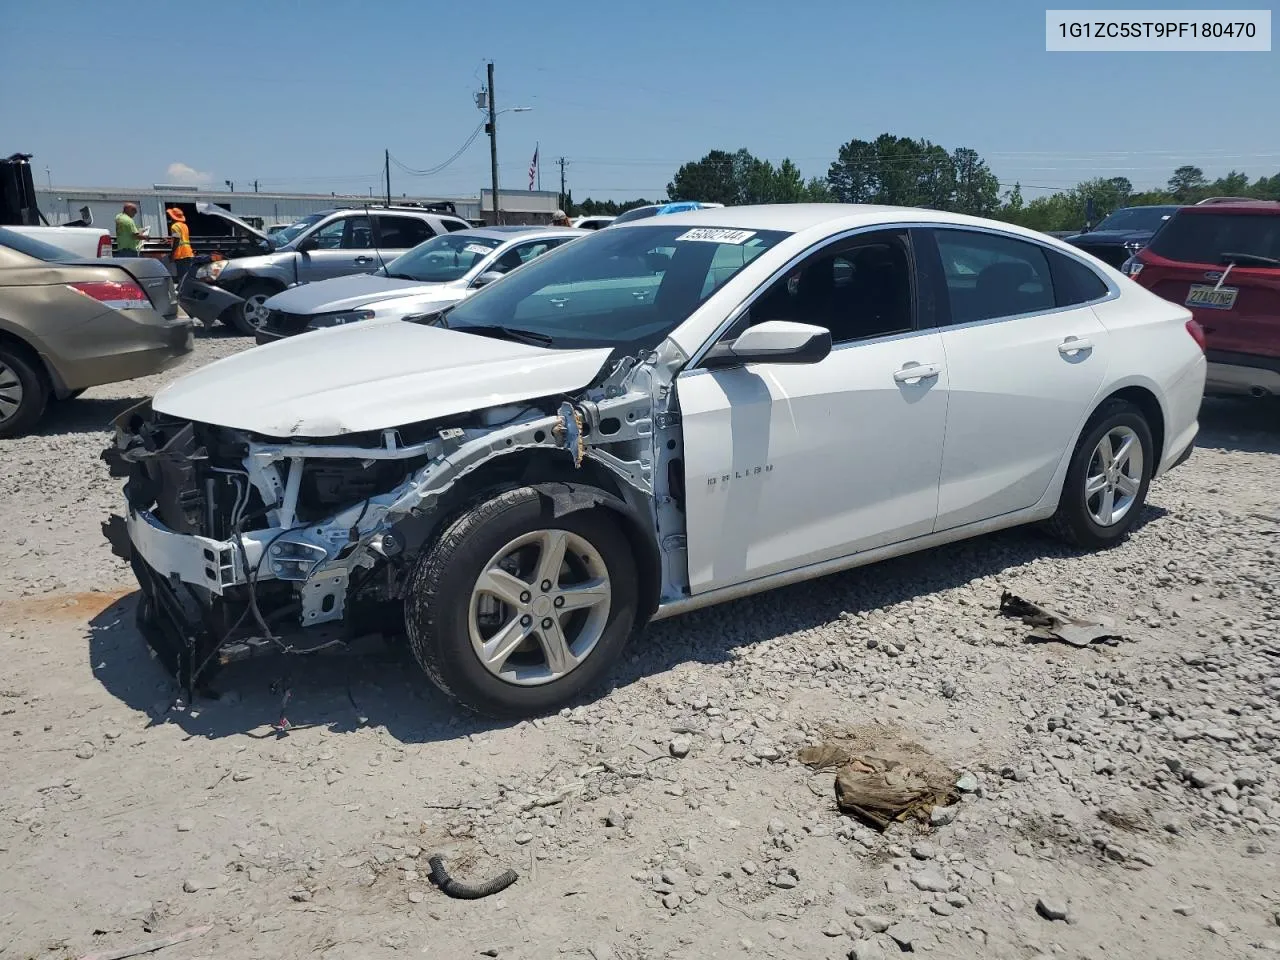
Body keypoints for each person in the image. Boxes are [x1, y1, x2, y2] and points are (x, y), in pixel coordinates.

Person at [167, 207, 195, 289]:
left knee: (182, 275)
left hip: (181, 253)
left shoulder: (174, 226)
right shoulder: (184, 226)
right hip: (188, 252)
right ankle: (183, 289)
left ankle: (182, 290)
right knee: (186, 274)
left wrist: (172, 254)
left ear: (172, 217)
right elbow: (182, 238)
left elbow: (177, 239)